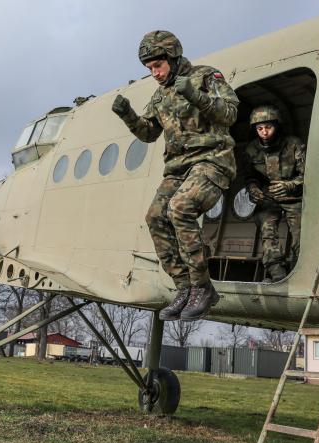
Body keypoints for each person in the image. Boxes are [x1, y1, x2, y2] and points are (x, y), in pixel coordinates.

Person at [112, 30, 239, 320]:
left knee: (180, 208)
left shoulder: (206, 77)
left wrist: (195, 96)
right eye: (149, 69)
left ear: (172, 57)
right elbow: (149, 133)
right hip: (178, 167)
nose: (154, 73)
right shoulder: (159, 96)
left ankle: (202, 287)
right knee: (155, 217)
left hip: (212, 160)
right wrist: (128, 115)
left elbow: (230, 113)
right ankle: (183, 287)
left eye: (158, 65)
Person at [243, 105, 305, 282]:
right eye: (259, 128)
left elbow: (307, 174)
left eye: (268, 127)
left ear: (277, 126)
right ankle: (277, 274)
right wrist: (253, 188)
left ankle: (296, 274)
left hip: (295, 198)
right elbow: (249, 177)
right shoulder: (251, 150)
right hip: (268, 198)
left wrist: (290, 185)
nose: (264, 132)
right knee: (267, 232)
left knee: (299, 236)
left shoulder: (294, 144)